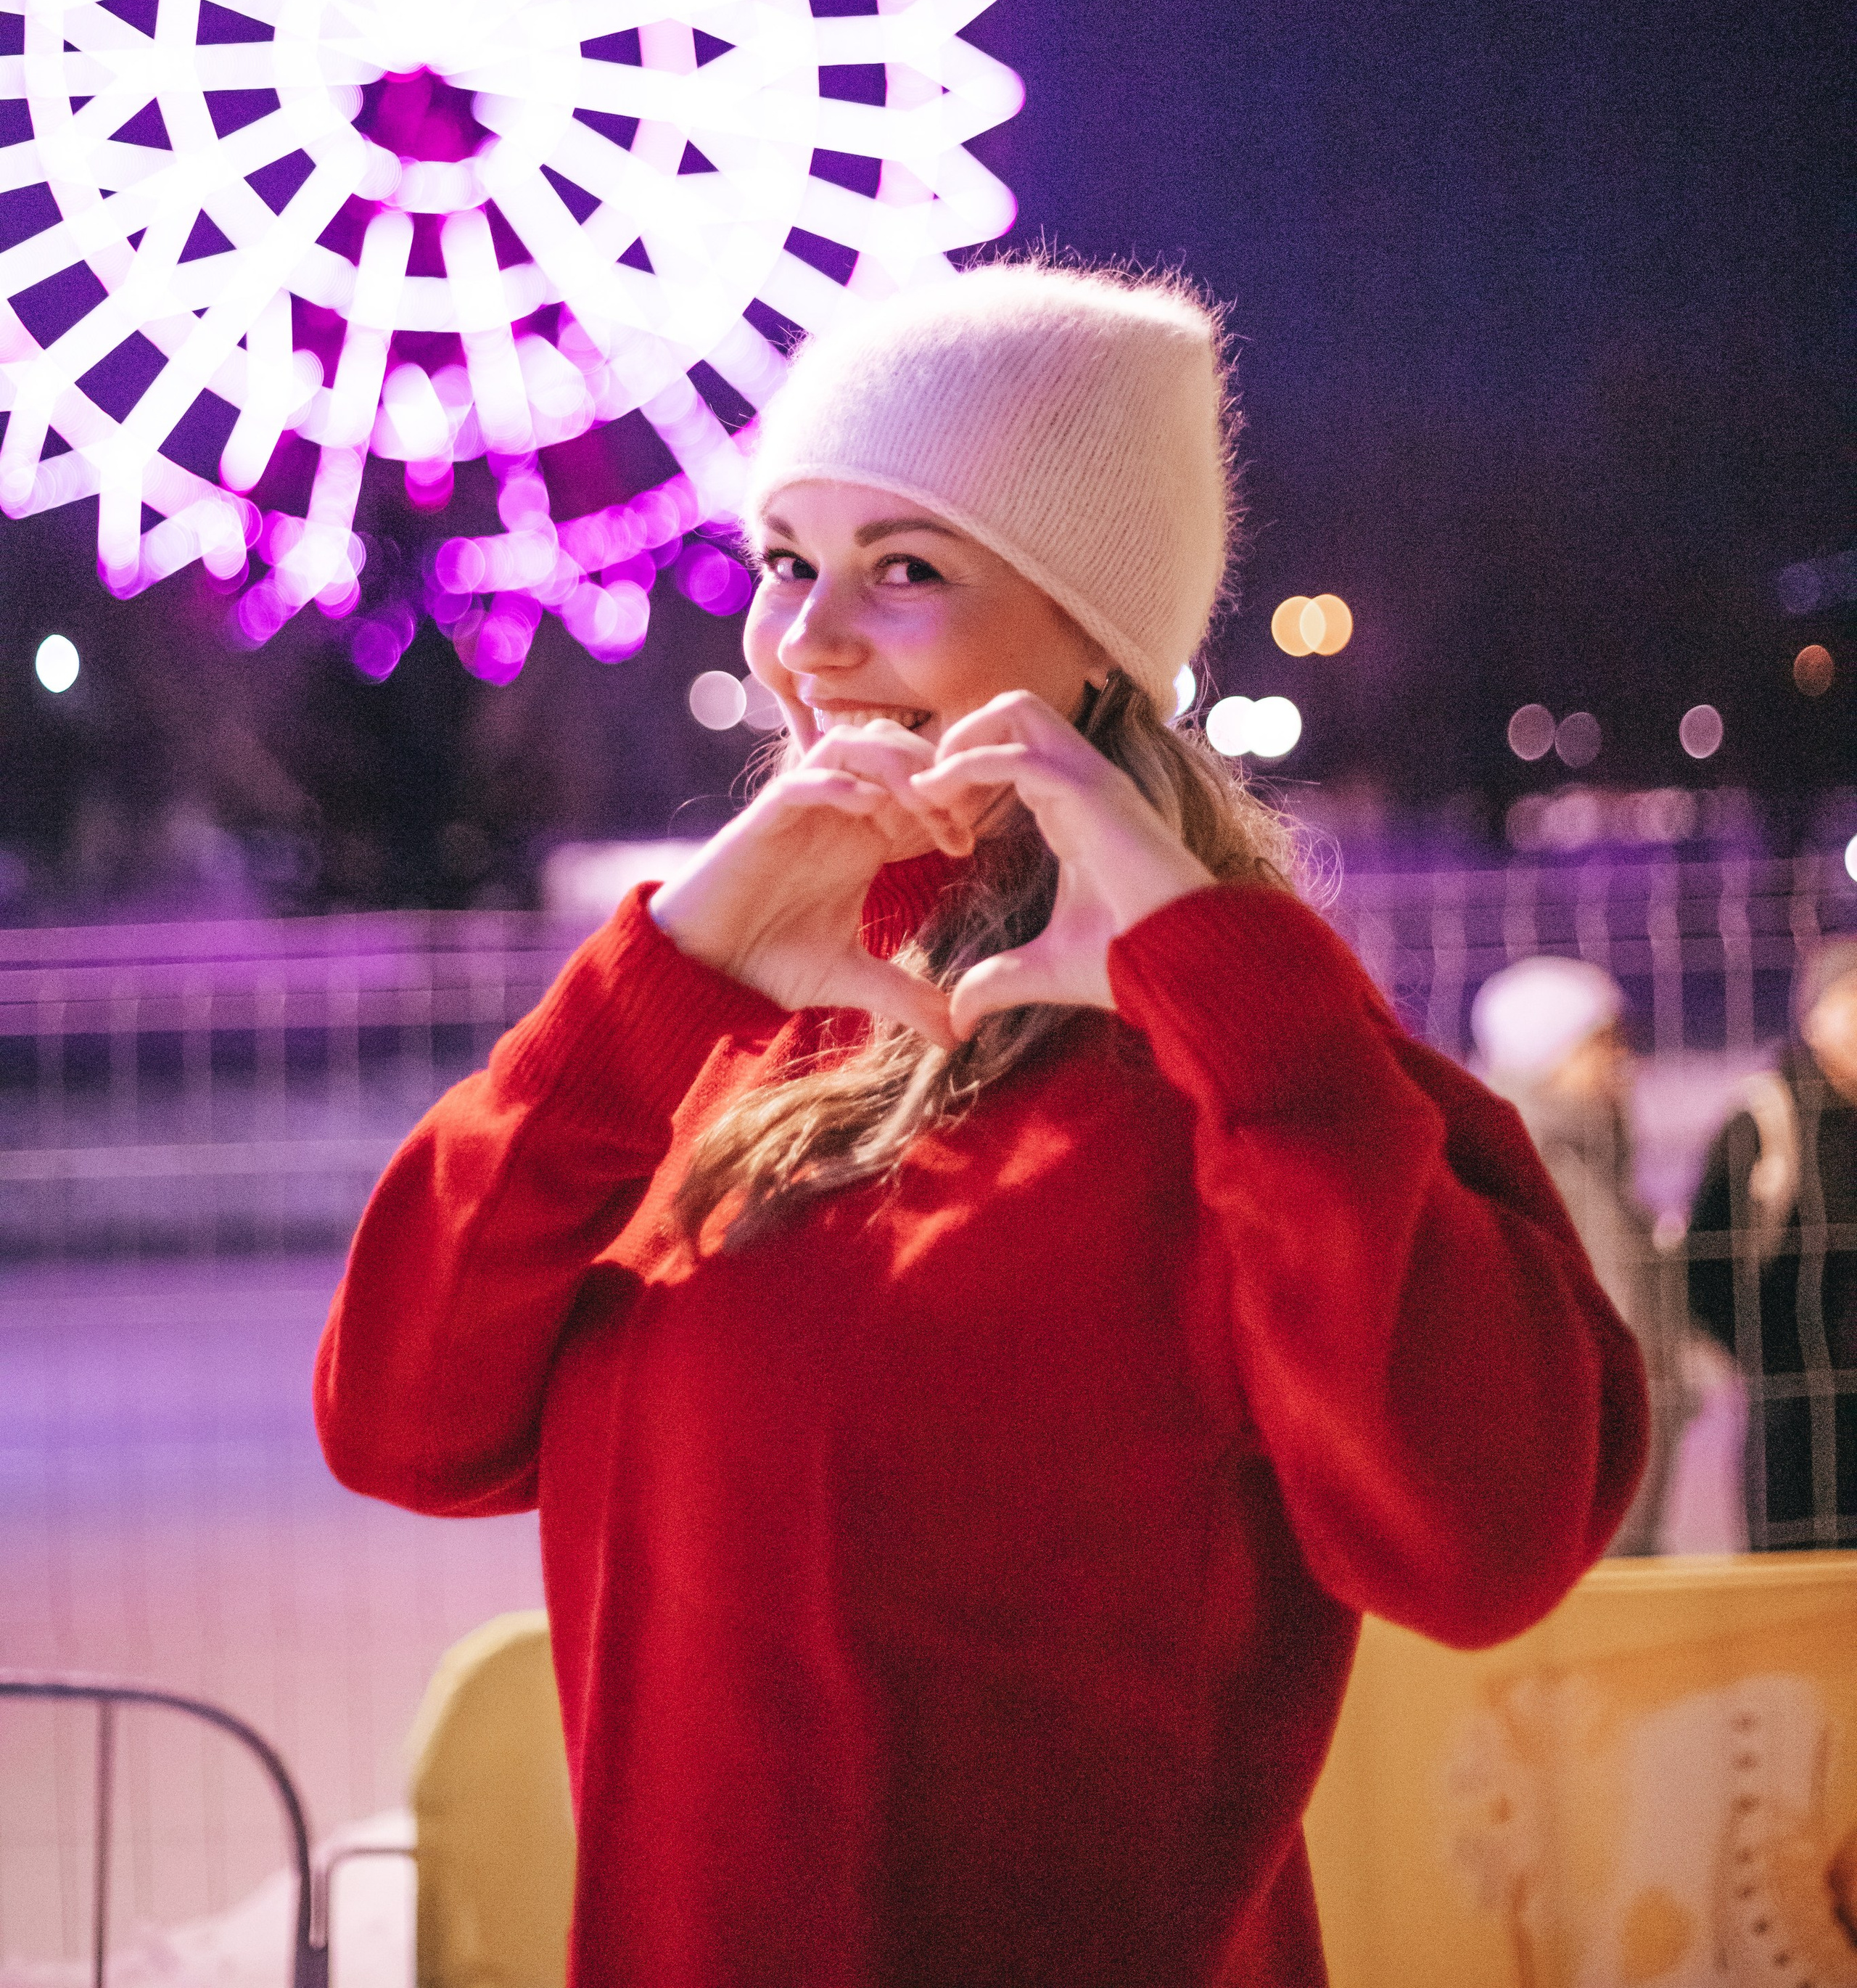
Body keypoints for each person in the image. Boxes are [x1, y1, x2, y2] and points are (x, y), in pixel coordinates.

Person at [316, 263, 1647, 1988]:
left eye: (907, 568)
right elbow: (401, 1418)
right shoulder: (716, 1038)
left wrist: (1232, 1006)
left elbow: (1480, 1540)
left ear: (1100, 643)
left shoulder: (1260, 1083)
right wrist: (662, 977)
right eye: (787, 560)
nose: (806, 638)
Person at [1470, 956, 1683, 1555]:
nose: (1620, 1062)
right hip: (1578, 1437)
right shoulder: (1533, 1162)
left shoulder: (1595, 1155)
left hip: (1625, 1422)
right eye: (1601, 1044)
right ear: (1548, 1057)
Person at [1687, 933, 1857, 1550]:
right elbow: (1703, 1267)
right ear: (1813, 1019)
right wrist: (1770, 1359)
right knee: (1795, 1582)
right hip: (1797, 1411)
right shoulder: (1765, 1118)